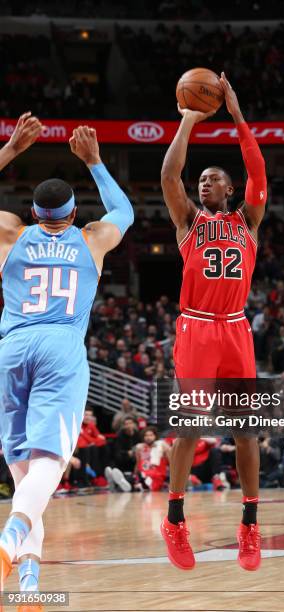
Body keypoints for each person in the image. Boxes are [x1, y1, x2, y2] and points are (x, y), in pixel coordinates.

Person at [0, 115, 134, 606]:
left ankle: (29, 588)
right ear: (75, 213)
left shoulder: (10, 234)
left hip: (12, 348)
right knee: (49, 466)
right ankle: (8, 543)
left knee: (24, 476)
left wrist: (12, 148)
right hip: (60, 347)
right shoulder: (92, 238)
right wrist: (96, 163)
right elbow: (125, 211)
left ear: (34, 214)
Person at [160, 73, 267, 571]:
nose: (205, 183)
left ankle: (249, 525)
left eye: (214, 178)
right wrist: (187, 121)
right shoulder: (188, 222)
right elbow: (169, 177)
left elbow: (259, 172)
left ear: (230, 189)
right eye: (201, 179)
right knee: (190, 428)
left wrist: (238, 117)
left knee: (248, 431)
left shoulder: (247, 220)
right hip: (197, 326)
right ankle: (175, 519)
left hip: (236, 328)